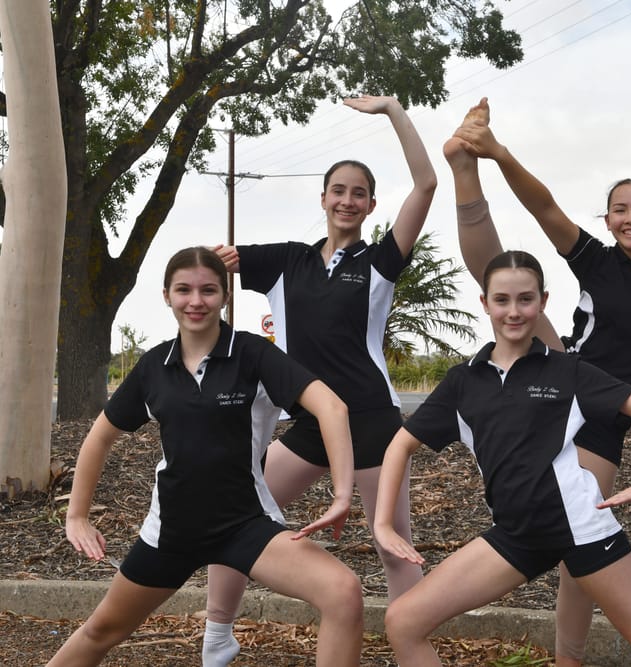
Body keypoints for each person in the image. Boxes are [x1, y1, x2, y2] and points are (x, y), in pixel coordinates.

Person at [444, 98, 631, 666]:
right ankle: (466, 167)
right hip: (561, 372)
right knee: (503, 273)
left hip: (604, 420)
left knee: (582, 554)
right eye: (619, 210)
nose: (630, 218)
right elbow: (544, 206)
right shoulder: (598, 262)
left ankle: (568, 659)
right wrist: (498, 154)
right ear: (607, 220)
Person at [374, 250, 631, 667]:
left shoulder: (568, 370)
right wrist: (383, 523)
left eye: (525, 299)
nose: (514, 311)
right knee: (403, 621)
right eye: (502, 300)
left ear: (543, 301)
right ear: (485, 303)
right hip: (515, 535)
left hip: (582, 528)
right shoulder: (463, 382)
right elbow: (399, 444)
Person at [47, 247, 363, 667]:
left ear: (225, 295)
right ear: (167, 296)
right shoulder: (154, 366)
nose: (196, 301)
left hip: (244, 525)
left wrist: (342, 495)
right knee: (101, 630)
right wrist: (76, 515)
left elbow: (332, 407)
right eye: (184, 290)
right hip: (172, 531)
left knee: (344, 592)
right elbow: (100, 437)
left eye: (208, 290)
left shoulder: (253, 354)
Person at [206, 95, 432, 665]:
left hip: (374, 425)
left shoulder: (379, 262)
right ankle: (216, 633)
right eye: (339, 190)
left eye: (359, 193)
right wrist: (210, 267)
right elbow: (213, 268)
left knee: (393, 547)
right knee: (236, 512)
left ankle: (411, 647)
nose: (348, 200)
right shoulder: (288, 260)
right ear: (324, 197)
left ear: (370, 204)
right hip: (308, 423)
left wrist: (393, 111)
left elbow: (426, 185)